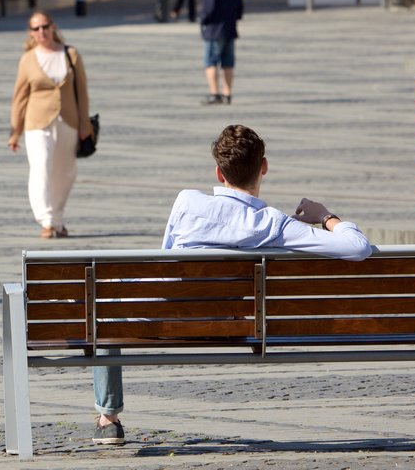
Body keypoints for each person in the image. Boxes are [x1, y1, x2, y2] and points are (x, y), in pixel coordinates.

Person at [91, 124, 373, 446]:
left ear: (218, 172)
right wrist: (326, 217)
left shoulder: (186, 202)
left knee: (104, 304)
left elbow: (165, 258)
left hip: (166, 319)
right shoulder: (273, 223)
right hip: (230, 321)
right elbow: (358, 248)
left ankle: (108, 418)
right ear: (263, 167)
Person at [8, 11, 93, 239]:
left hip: (69, 120)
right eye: (35, 29)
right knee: (41, 167)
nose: (41, 32)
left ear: (53, 27)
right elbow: (19, 97)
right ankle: (46, 220)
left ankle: (57, 218)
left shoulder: (71, 54)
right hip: (37, 122)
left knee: (64, 173)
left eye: (44, 26)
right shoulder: (27, 59)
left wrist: (85, 123)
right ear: (30, 33)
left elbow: (82, 92)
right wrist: (15, 131)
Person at [200, 0, 243, 105]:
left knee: (210, 62)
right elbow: (239, 11)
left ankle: (214, 93)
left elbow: (208, 10)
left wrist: (203, 21)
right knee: (228, 63)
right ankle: (227, 93)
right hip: (230, 30)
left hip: (214, 31)